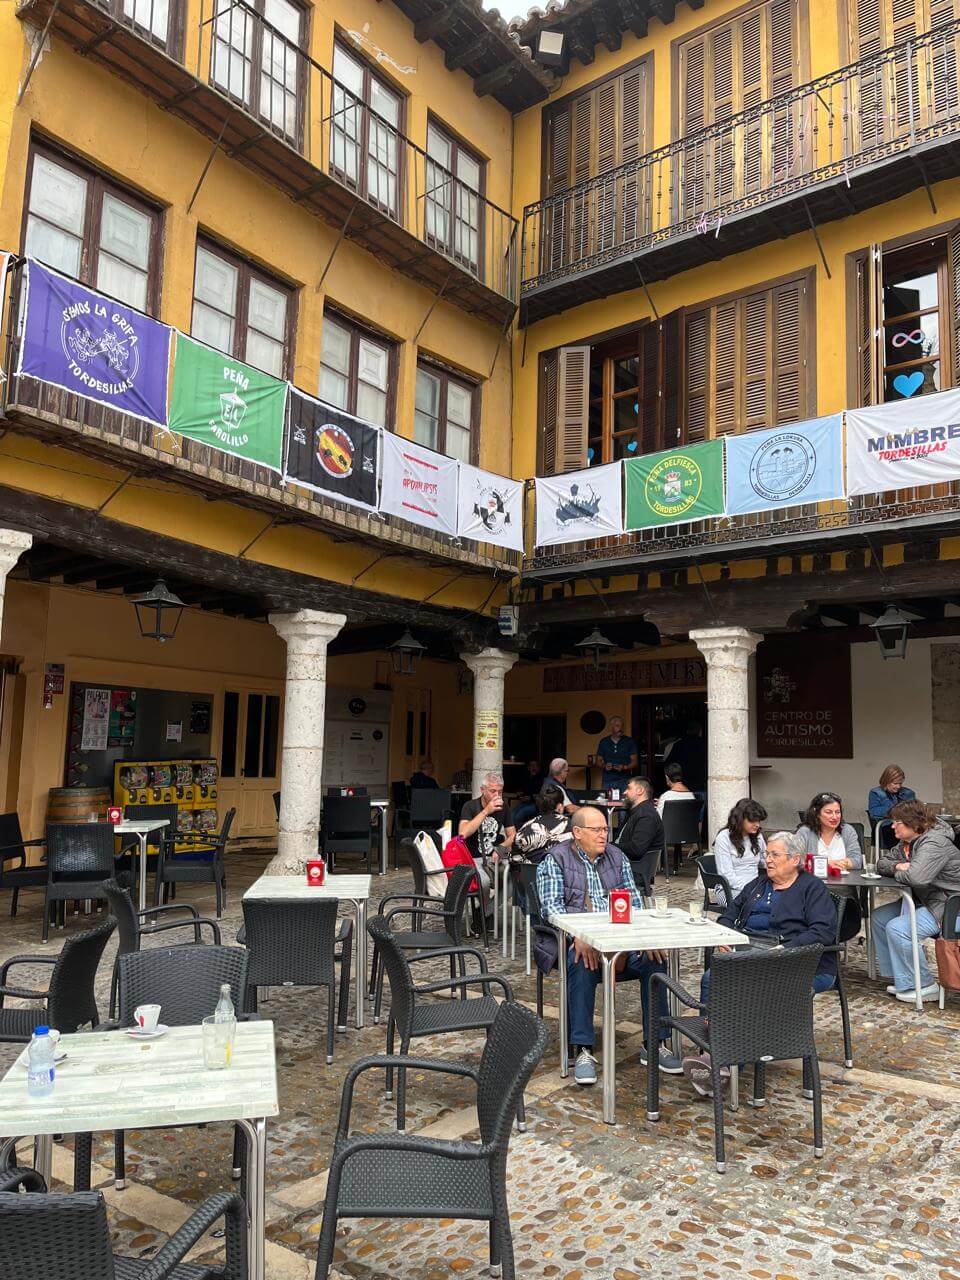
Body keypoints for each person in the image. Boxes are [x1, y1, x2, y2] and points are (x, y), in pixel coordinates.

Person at [535, 806, 682, 1086]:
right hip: (579, 940)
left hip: (620, 941)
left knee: (656, 958)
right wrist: (578, 935)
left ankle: (655, 1044)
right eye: (597, 830)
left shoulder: (617, 856)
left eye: (606, 830)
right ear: (577, 833)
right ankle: (583, 1050)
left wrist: (644, 937)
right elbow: (552, 911)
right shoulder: (555, 860)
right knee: (580, 960)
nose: (604, 835)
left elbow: (635, 904)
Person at [683, 830, 837, 1096]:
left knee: (746, 988)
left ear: (794, 859)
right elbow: (729, 913)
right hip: (751, 954)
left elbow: (823, 931)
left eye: (775, 855)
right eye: (767, 854)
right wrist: (725, 936)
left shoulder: (811, 888)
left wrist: (785, 949)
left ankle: (725, 1064)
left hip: (796, 962)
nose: (769, 860)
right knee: (712, 977)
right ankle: (713, 1049)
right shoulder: (758, 884)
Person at [874, 800, 960, 1002]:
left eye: (897, 822)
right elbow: (882, 863)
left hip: (951, 906)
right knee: (879, 918)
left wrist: (905, 868)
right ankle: (902, 976)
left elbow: (916, 877)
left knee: (899, 928)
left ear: (913, 823)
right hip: (928, 900)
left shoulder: (934, 842)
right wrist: (898, 866)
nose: (892, 826)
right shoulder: (908, 843)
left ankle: (924, 985)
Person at [615, 776, 663, 893]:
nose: (625, 792)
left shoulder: (646, 816)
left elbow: (637, 849)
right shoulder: (636, 812)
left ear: (640, 791)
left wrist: (610, 847)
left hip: (634, 871)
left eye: (629, 788)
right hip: (624, 865)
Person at [713, 798, 768, 897]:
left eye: (759, 821)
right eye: (752, 821)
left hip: (755, 887)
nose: (757, 825)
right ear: (740, 819)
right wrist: (752, 888)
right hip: (728, 890)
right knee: (756, 902)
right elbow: (727, 876)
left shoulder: (757, 836)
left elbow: (765, 860)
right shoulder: (724, 838)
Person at [458, 772, 515, 864]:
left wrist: (501, 848)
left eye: (500, 792)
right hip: (473, 860)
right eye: (492, 791)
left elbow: (513, 836)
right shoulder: (470, 806)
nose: (497, 795)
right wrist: (486, 811)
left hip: (494, 860)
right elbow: (462, 833)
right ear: (482, 790)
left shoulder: (504, 807)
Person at [796, 793, 863, 870]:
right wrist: (826, 863)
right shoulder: (805, 832)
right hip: (813, 880)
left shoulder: (847, 830)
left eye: (837, 812)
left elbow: (857, 861)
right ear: (817, 814)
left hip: (844, 880)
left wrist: (839, 864)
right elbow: (796, 860)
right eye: (829, 812)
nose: (834, 817)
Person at [513, 783, 571, 862]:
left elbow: (515, 856)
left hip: (529, 873)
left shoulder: (526, 827)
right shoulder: (571, 825)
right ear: (560, 807)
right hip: (561, 872)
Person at [664, 722, 707, 797]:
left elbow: (669, 764)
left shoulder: (679, 745)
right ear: (700, 732)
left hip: (682, 785)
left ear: (687, 732)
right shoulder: (705, 744)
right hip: (700, 784)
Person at [596, 716, 638, 793]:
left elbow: (634, 762)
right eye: (617, 726)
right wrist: (604, 766)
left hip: (625, 780)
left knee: (625, 803)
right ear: (612, 727)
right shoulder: (604, 741)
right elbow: (598, 760)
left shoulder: (629, 741)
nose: (620, 728)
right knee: (606, 803)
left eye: (622, 726)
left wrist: (624, 767)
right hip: (608, 780)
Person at [512, 760, 545, 827]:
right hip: (525, 803)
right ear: (528, 768)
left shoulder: (542, 779)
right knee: (512, 815)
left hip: (536, 805)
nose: (533, 767)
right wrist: (520, 793)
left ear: (539, 768)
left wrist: (530, 797)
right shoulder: (527, 778)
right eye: (531, 765)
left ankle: (522, 833)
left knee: (517, 817)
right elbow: (523, 790)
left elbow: (542, 795)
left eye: (535, 765)